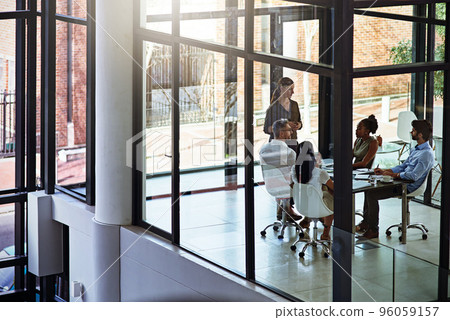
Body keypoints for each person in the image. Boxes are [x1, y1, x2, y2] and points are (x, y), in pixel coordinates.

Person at [356, 119, 434, 239]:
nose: (411, 132)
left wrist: (393, 175)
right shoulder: (416, 149)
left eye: (413, 130)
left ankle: (373, 230)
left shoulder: (426, 154)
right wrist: (386, 171)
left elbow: (413, 176)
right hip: (400, 181)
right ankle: (367, 222)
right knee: (369, 188)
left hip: (408, 186)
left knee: (372, 194)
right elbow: (402, 166)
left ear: (420, 134)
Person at [259, 119, 302, 221]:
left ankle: (284, 208)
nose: (292, 132)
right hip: (285, 188)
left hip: (270, 187)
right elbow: (294, 176)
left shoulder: (263, 149)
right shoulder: (289, 153)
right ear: (282, 133)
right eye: (289, 130)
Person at [293, 141, 334, 240]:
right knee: (333, 196)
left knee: (320, 191)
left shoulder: (294, 171)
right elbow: (334, 188)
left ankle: (307, 219)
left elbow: (292, 186)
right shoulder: (320, 173)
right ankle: (325, 234)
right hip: (317, 207)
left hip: (302, 206)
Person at [263, 77, 302, 146]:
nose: (293, 92)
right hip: (277, 146)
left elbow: (300, 122)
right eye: (290, 89)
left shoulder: (294, 104)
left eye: (293, 89)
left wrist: (299, 125)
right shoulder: (273, 108)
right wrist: (285, 126)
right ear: (281, 88)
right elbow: (266, 129)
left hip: (292, 144)